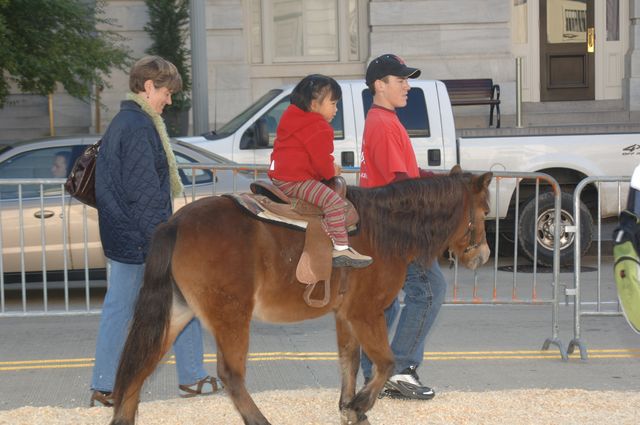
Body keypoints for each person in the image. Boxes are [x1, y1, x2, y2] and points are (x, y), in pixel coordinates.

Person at [89, 56, 220, 407]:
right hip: (142, 237)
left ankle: (106, 383)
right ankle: (184, 378)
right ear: (148, 87)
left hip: (127, 234)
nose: (169, 99)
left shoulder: (130, 122)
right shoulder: (137, 127)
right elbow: (144, 192)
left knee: (142, 304)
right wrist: (164, 242)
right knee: (178, 300)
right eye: (166, 91)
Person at [359, 54, 448, 400]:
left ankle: (375, 375)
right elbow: (400, 185)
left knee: (386, 304)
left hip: (384, 226)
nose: (407, 86)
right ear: (380, 85)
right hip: (395, 229)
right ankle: (400, 370)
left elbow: (408, 175)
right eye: (401, 80)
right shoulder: (383, 124)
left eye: (407, 80)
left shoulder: (384, 119)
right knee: (429, 290)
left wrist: (440, 182)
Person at [268, 74, 372, 268]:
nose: (336, 109)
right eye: (333, 104)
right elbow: (322, 163)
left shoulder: (290, 118)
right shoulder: (318, 127)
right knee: (333, 202)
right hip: (296, 180)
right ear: (314, 105)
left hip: (281, 176)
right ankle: (341, 249)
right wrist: (332, 171)